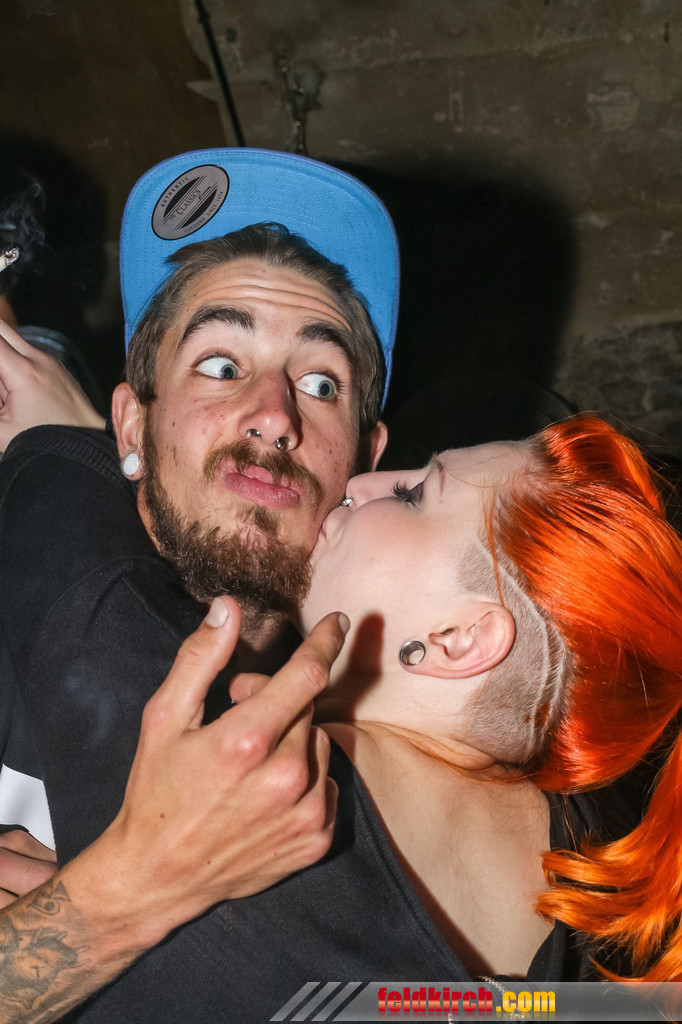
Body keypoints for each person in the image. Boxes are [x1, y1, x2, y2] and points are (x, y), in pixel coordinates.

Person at [4, 413, 682, 1022]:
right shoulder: (595, 878)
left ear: (457, 640)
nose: (363, 483)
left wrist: (73, 442)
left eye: (414, 495)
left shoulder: (238, 766)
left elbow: (62, 519)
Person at [0, 146, 397, 1021]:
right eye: (221, 365)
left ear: (367, 466)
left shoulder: (366, 781)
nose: (274, 414)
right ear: (130, 426)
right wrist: (118, 903)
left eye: (320, 382)